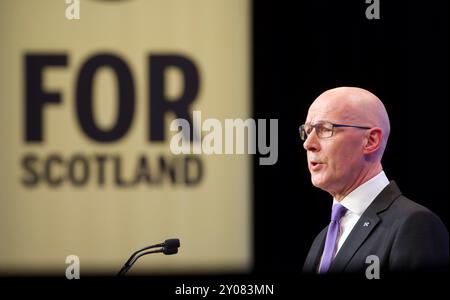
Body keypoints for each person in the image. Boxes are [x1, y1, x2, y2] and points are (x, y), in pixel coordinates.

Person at [301, 87, 448, 274]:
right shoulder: (321, 240)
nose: (308, 144)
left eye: (324, 129)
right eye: (307, 131)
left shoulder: (414, 225)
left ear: (371, 141)